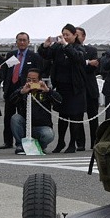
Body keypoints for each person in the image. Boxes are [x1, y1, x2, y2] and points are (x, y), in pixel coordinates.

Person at [40, 24, 87, 153]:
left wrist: (66, 45)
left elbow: (77, 58)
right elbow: (46, 55)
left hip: (75, 88)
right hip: (61, 86)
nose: (65, 37)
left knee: (75, 117)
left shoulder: (79, 48)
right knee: (62, 116)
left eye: (68, 35)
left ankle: (73, 143)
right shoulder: (58, 47)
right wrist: (45, 45)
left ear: (74, 35)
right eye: (63, 34)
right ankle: (61, 142)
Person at [0, 32, 45, 149]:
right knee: (8, 116)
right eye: (20, 40)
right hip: (11, 89)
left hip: (26, 90)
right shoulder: (11, 55)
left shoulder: (34, 57)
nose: (22, 42)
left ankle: (23, 140)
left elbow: (38, 73)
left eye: (24, 40)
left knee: (23, 116)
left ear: (29, 42)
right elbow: (6, 71)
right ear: (16, 42)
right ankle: (8, 141)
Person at [10, 67, 63, 154]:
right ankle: (20, 145)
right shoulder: (23, 89)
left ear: (40, 80)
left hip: (41, 126)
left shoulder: (45, 90)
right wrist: (22, 93)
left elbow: (59, 101)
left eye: (34, 80)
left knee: (49, 134)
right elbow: (11, 101)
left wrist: (48, 91)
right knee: (15, 118)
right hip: (25, 125)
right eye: (29, 79)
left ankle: (40, 146)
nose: (31, 82)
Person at [76, 26, 101, 149]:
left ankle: (94, 142)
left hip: (90, 87)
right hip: (77, 88)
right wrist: (86, 62)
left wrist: (82, 63)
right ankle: (80, 143)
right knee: (78, 117)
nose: (76, 37)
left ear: (84, 37)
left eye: (78, 35)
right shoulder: (69, 50)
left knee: (93, 116)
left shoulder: (91, 50)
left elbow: (92, 67)